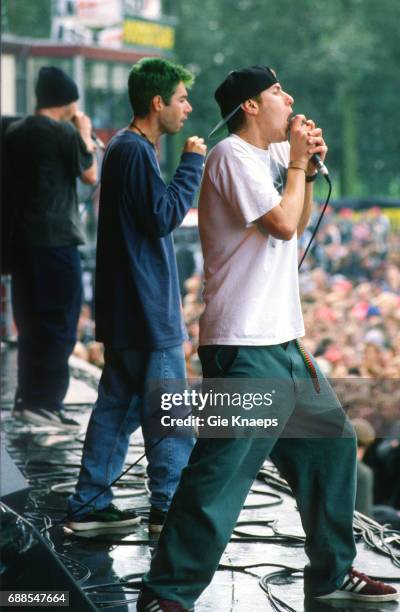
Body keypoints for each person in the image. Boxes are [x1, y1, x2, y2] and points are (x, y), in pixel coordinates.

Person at [137, 66, 398, 610]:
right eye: (278, 92)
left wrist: (303, 160)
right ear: (251, 107)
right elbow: (279, 224)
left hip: (283, 341)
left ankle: (332, 573)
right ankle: (167, 591)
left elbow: (296, 220)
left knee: (333, 444)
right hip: (244, 343)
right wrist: (300, 162)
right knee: (222, 473)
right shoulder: (230, 155)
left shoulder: (273, 157)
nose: (291, 99)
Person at [66, 58, 206, 534]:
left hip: (129, 313)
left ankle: (89, 504)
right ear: (157, 103)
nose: (188, 107)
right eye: (181, 99)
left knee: (116, 410)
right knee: (168, 416)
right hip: (148, 314)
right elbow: (163, 215)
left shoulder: (125, 149)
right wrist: (191, 165)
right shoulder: (136, 151)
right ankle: (167, 508)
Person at [5, 66, 97, 430]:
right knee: (61, 323)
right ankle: (46, 403)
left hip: (21, 243)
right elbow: (91, 173)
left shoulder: (14, 131)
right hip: (56, 241)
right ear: (69, 101)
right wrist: (84, 133)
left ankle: (27, 401)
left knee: (30, 323)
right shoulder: (62, 132)